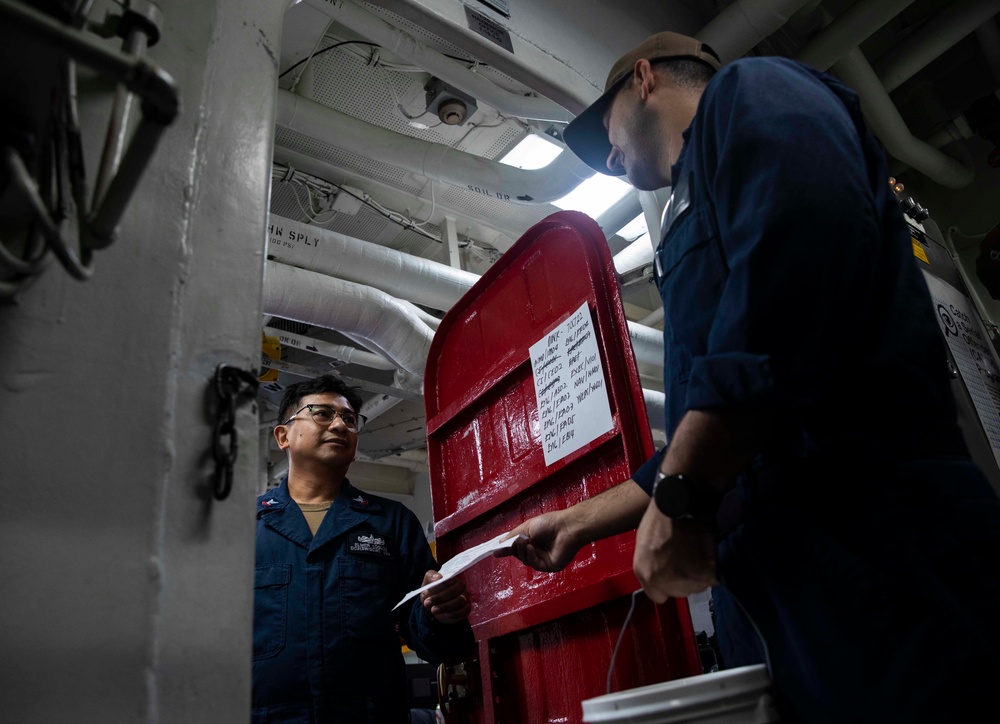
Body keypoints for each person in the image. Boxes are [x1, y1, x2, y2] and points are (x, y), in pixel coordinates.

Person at [499, 31, 1000, 722]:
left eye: (605, 131)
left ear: (644, 79)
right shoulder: (686, 221)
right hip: (770, 572)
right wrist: (580, 523)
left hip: (868, 533)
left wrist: (685, 493)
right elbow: (719, 418)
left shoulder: (752, 91)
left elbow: (796, 269)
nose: (610, 156)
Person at [253, 374, 475, 723]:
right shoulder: (243, 527)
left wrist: (439, 614)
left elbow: (434, 643)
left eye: (350, 419)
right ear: (283, 436)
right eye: (322, 414)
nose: (340, 424)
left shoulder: (391, 523)